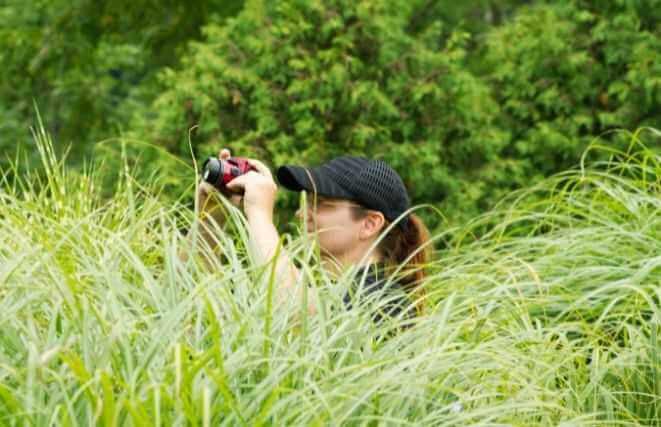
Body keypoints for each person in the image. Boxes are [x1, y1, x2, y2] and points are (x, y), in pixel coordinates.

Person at [188, 148, 432, 319]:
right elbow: (188, 305)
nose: (302, 214)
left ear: (369, 224)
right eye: (308, 202)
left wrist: (259, 213)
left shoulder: (386, 302)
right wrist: (211, 217)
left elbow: (295, 314)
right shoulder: (324, 290)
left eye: (321, 203)